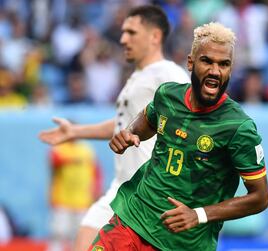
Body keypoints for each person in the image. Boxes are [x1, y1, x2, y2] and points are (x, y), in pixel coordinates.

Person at [90, 22, 268, 251]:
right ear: (191, 62)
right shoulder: (167, 95)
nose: (215, 71)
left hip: (182, 244)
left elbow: (260, 198)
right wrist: (130, 133)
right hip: (132, 220)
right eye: (207, 61)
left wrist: (199, 215)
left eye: (223, 64)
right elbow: (148, 119)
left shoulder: (239, 127)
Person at [39, 5, 189, 251]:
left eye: (131, 32)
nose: (123, 39)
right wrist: (75, 132)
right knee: (84, 239)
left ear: (155, 36)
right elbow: (125, 124)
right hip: (121, 187)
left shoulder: (169, 73)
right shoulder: (136, 77)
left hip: (148, 195)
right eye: (123, 32)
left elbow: (190, 120)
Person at [48, 139, 102, 251]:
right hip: (63, 200)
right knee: (58, 234)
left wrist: (96, 191)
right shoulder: (60, 149)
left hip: (83, 200)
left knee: (78, 237)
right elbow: (53, 163)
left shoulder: (86, 150)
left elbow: (96, 171)